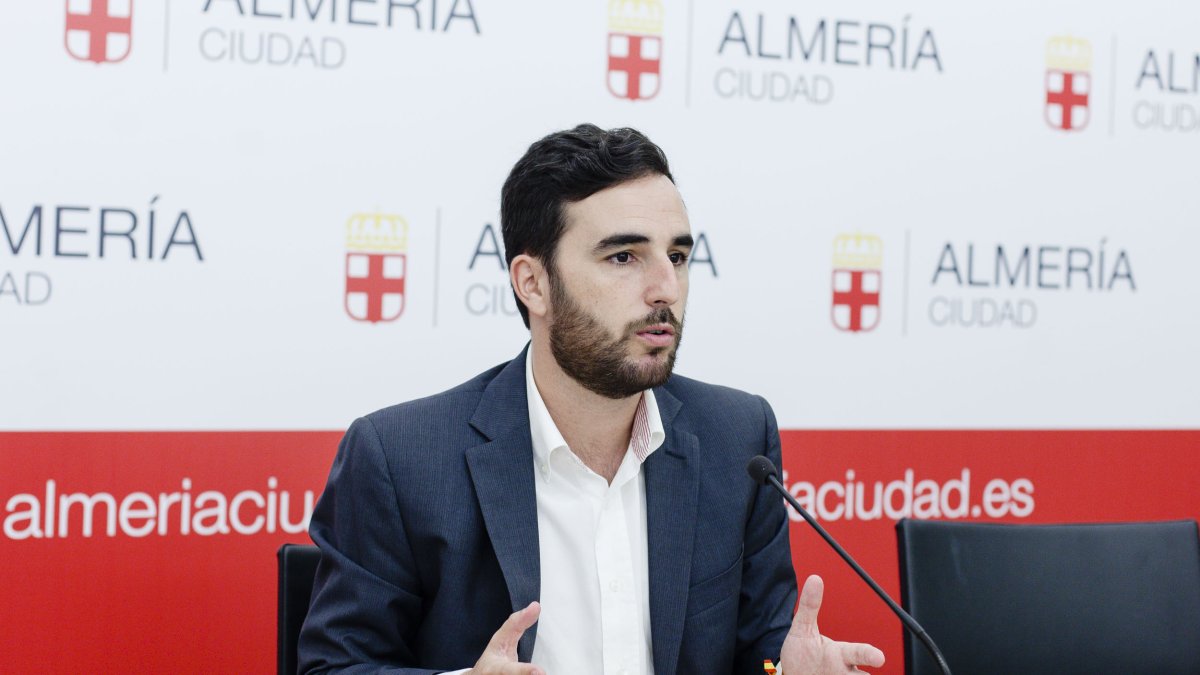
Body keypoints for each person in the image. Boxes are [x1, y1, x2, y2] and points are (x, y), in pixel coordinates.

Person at [298, 124, 884, 675]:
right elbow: (336, 665)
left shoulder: (738, 438)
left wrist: (781, 672)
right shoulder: (401, 459)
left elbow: (761, 651)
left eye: (677, 257)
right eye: (623, 257)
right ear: (533, 284)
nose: (666, 289)